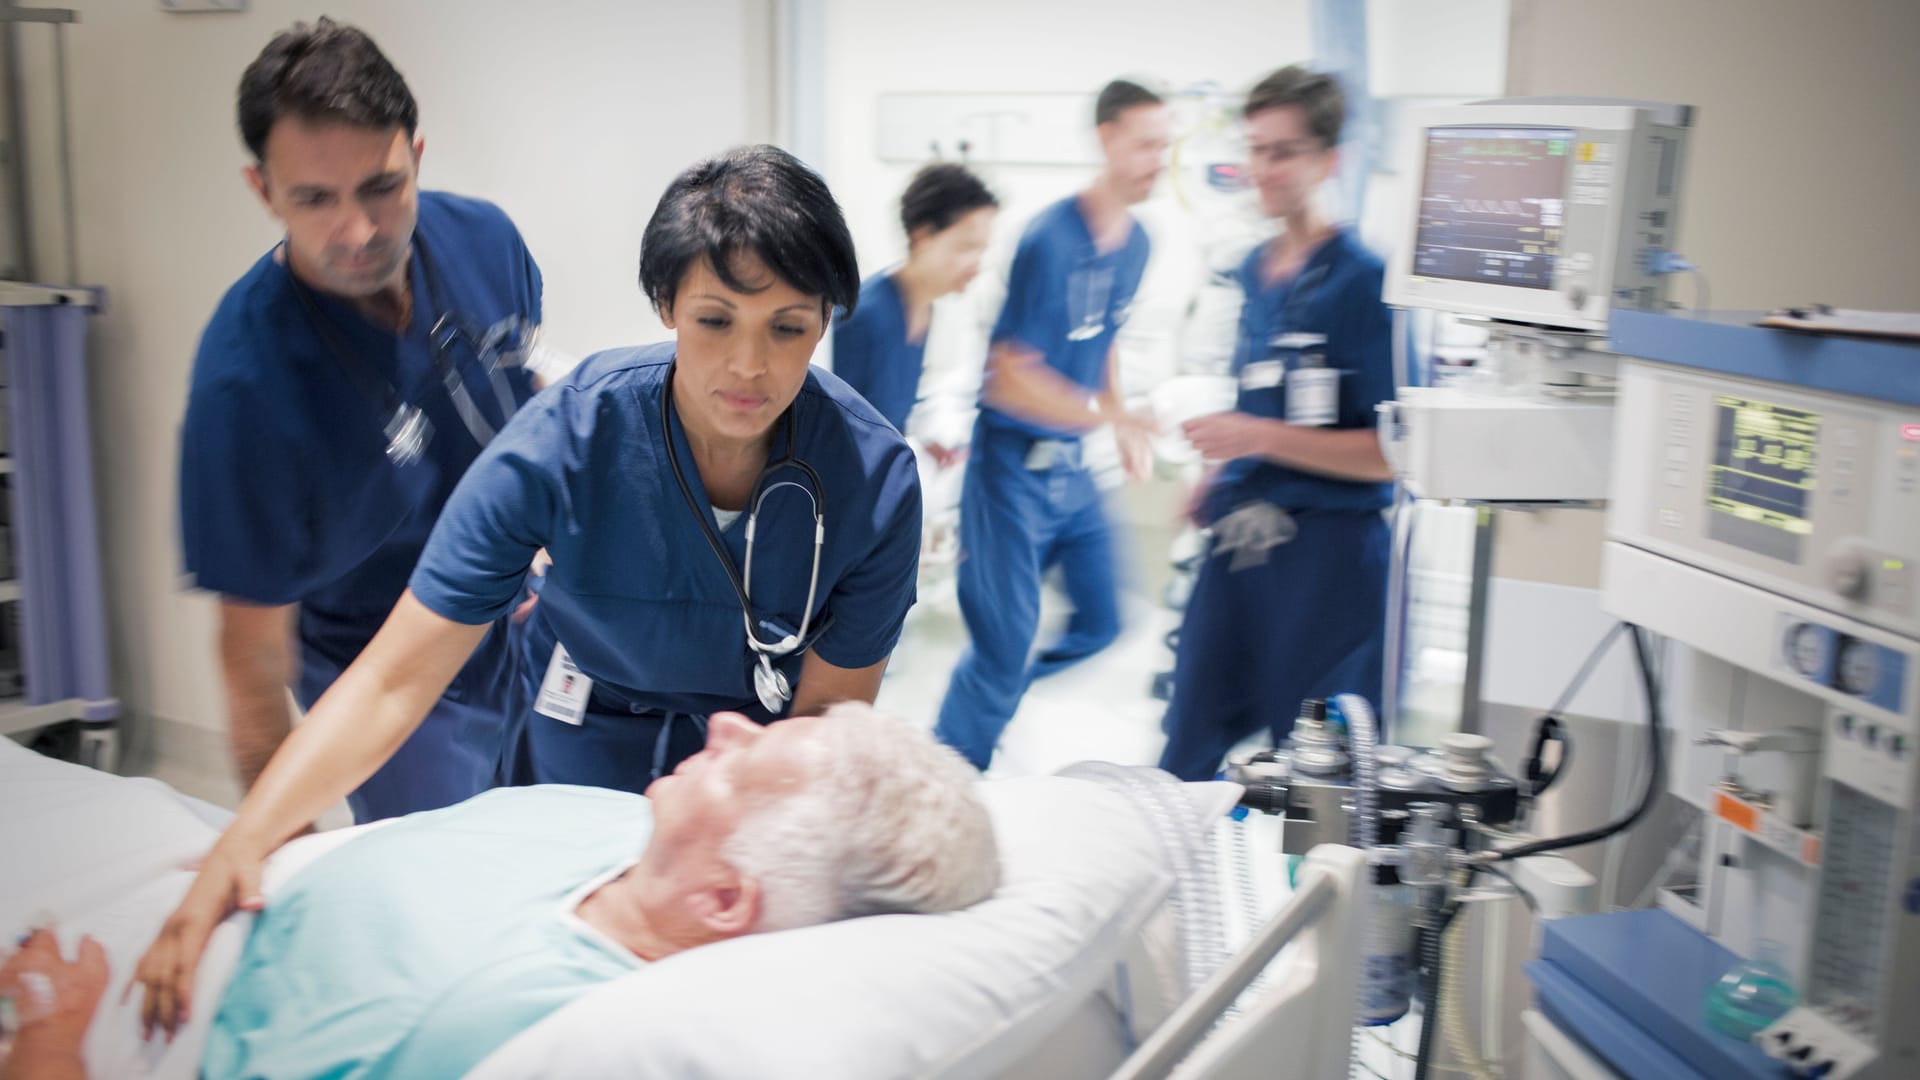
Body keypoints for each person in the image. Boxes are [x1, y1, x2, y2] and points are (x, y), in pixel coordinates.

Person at [132, 144, 925, 1030]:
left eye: (788, 327)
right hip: (576, 724)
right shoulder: (571, 436)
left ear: (826, 324)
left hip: (748, 766)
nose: (749, 367)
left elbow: (823, 728)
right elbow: (397, 675)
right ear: (665, 306)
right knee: (538, 966)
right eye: (714, 320)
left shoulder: (874, 481)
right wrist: (241, 845)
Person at [66, 706, 991, 1080]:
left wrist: (48, 1037)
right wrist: (245, 847)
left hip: (127, 990)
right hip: (211, 867)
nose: (723, 721)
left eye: (747, 757)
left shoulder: (485, 1023)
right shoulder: (623, 831)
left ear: (724, 901)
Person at [179, 18, 556, 823]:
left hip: (521, 611)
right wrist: (278, 855)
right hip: (378, 662)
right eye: (314, 199)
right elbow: (251, 661)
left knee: (566, 844)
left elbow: (527, 385)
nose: (357, 232)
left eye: (382, 187)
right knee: (439, 888)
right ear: (263, 191)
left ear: (415, 157)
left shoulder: (485, 241)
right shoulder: (245, 387)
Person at [1157, 66, 1395, 782]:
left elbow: (1389, 453)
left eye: (1283, 151)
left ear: (1330, 160)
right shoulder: (1255, 271)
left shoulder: (1364, 282)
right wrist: (1216, 473)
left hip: (1328, 557)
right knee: (1187, 740)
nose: (1263, 169)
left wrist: (1254, 439)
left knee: (1319, 774)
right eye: (1256, 149)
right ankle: (1181, 886)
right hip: (1243, 541)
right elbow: (1259, 399)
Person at [933, 79, 1169, 771]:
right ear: (1107, 140)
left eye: (1166, 145)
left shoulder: (1137, 243)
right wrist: (1113, 415)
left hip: (1072, 468)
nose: (1160, 159)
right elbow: (1007, 375)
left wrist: (1117, 418)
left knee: (1105, 620)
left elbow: (1104, 336)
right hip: (1010, 469)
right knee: (1002, 647)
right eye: (1147, 143)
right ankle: (949, 776)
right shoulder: (1050, 238)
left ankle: (998, 695)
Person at [831, 163, 998, 449]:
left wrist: (922, 439)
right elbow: (829, 421)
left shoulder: (925, 309)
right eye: (965, 247)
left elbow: (882, 412)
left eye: (981, 250)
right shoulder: (865, 316)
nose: (976, 265)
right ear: (922, 237)